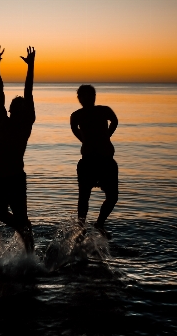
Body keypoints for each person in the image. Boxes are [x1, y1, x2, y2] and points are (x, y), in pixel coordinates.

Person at [0, 46, 36, 253]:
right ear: (10, 110)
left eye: (20, 109)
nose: (17, 111)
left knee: (22, 218)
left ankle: (30, 254)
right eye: (15, 109)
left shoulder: (26, 124)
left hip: (15, 177)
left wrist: (31, 66)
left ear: (24, 111)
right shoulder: (2, 120)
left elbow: (29, 91)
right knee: (1, 214)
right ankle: (23, 232)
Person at [70, 85, 119, 239]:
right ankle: (81, 228)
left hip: (106, 160)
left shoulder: (104, 110)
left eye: (88, 95)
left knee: (113, 197)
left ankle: (99, 223)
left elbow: (115, 121)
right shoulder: (76, 115)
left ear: (94, 96)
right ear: (79, 98)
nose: (85, 99)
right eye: (81, 96)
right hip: (88, 162)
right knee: (84, 196)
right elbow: (74, 129)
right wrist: (85, 141)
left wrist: (106, 136)